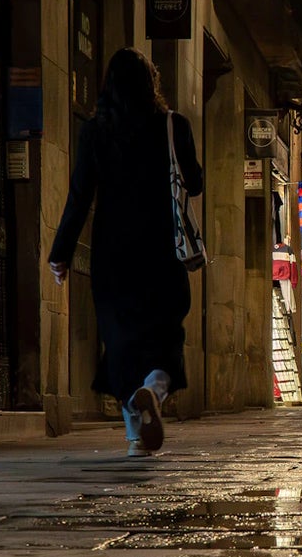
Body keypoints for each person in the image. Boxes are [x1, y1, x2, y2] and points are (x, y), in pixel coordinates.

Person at [47, 48, 202, 455]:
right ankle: (153, 389)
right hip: (161, 251)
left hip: (112, 254)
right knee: (165, 335)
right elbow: (195, 182)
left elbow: (79, 196)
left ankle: (136, 437)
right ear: (151, 84)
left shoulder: (96, 131)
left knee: (120, 343)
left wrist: (60, 252)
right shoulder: (173, 125)